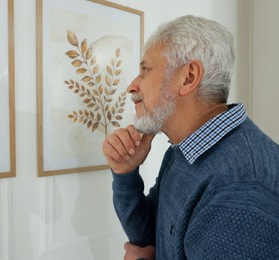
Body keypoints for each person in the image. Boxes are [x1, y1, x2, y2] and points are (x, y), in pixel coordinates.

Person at [102, 15, 279, 260]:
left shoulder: (239, 188)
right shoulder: (183, 150)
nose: (132, 86)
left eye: (145, 70)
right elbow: (148, 237)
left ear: (188, 77)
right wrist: (125, 173)